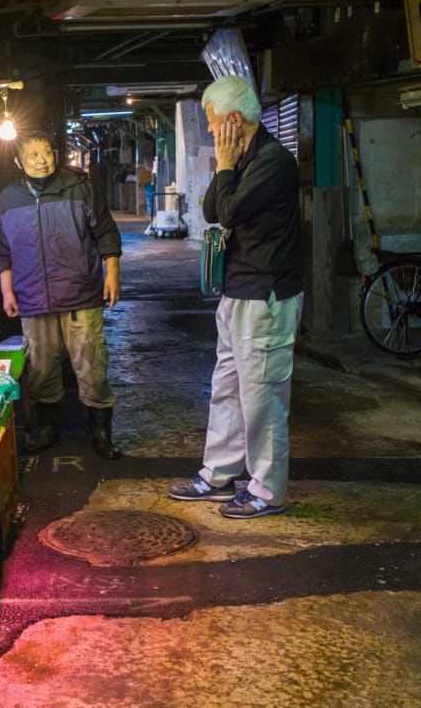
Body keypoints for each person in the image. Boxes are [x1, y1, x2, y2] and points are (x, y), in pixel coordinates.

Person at [169, 75, 303, 518]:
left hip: (265, 297)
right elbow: (211, 210)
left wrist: (225, 166)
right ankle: (220, 473)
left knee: (262, 397)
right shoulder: (243, 160)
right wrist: (225, 165)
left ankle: (267, 490)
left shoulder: (273, 161)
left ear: (232, 119)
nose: (209, 130)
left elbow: (227, 211)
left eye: (211, 123)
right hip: (238, 292)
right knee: (226, 389)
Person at [0, 129, 123, 459]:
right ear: (18, 162)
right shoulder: (8, 199)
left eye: (47, 153)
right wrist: (8, 292)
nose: (41, 160)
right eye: (33, 155)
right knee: (41, 366)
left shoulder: (79, 188)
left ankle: (101, 430)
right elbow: (3, 251)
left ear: (55, 155)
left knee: (91, 363)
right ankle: (46, 429)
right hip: (33, 297)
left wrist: (112, 275)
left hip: (79, 293)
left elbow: (106, 233)